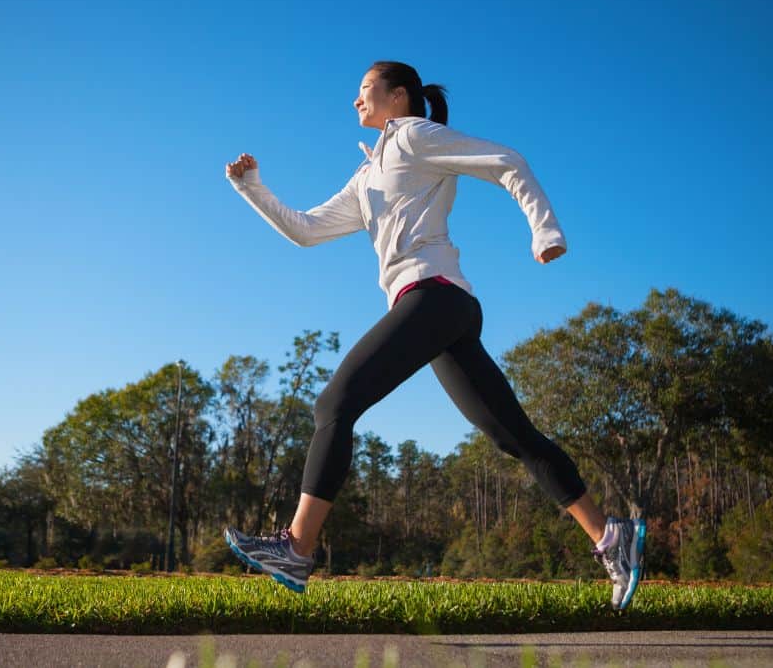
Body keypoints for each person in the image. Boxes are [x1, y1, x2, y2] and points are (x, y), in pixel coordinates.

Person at [222, 60, 646, 610]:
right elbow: (306, 230)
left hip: (435, 296)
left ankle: (296, 550)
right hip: (441, 310)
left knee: (336, 403)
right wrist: (250, 186)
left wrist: (545, 229)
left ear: (398, 97)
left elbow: (506, 161)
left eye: (365, 91)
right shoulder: (369, 172)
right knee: (512, 436)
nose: (356, 102)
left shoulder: (414, 137)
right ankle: (612, 538)